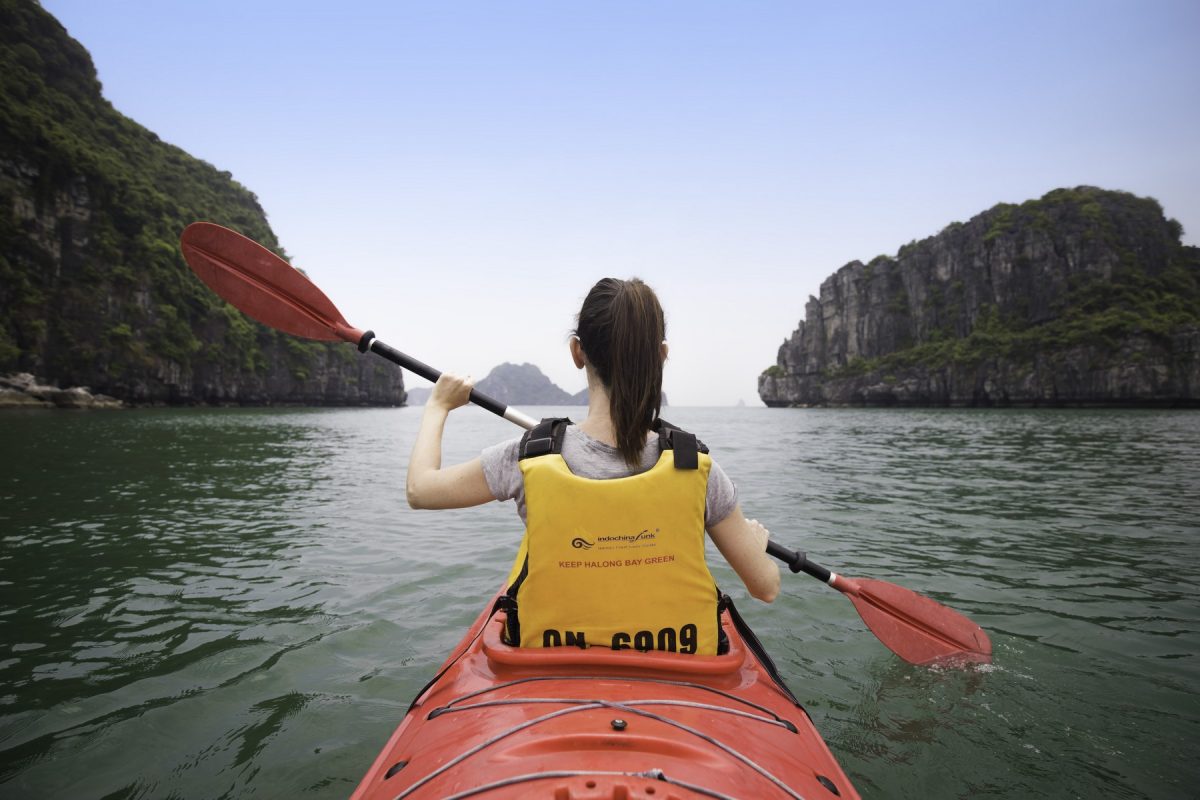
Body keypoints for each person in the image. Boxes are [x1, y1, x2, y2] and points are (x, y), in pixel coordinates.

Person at [406, 277, 779, 655]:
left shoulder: (526, 458)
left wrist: (438, 406)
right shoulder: (696, 467)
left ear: (577, 352)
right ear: (661, 354)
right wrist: (755, 544)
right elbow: (765, 587)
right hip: (677, 671)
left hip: (548, 668)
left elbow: (421, 491)